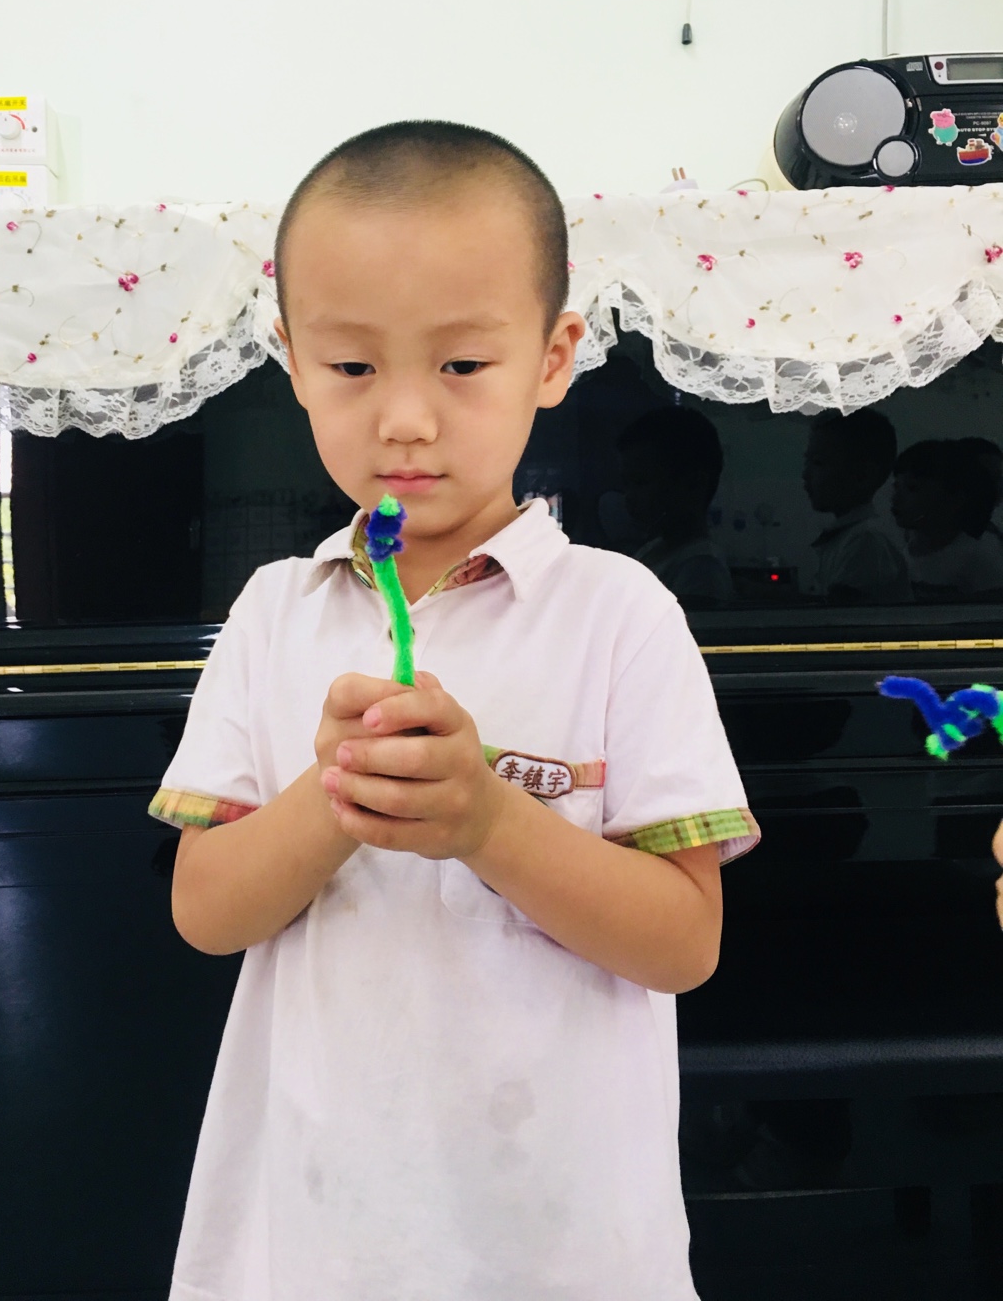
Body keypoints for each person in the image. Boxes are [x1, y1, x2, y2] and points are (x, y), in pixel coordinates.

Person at [151, 120, 758, 1301]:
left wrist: (487, 819)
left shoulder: (620, 615)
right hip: (316, 1240)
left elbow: (685, 944)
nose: (406, 420)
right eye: (352, 367)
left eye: (463, 365)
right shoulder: (273, 613)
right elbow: (205, 914)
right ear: (291, 360)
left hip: (562, 1244)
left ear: (554, 357)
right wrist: (334, 798)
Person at [617, 406, 733, 607]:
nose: (629, 497)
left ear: (694, 485)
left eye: (641, 482)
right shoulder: (654, 548)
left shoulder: (700, 568)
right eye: (626, 484)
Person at [801, 409, 911, 605]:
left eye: (818, 463)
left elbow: (839, 616)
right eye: (807, 461)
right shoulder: (850, 536)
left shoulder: (865, 541)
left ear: (863, 475)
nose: (805, 474)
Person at [891, 438, 1003, 601]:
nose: (895, 498)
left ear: (954, 499)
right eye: (896, 487)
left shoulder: (981, 554)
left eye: (912, 488)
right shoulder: (902, 549)